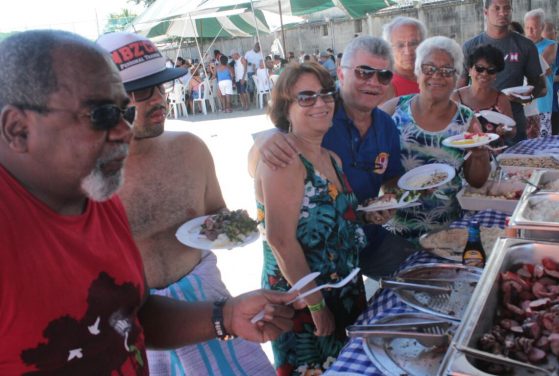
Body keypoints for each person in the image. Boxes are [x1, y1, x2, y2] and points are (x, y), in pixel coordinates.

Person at [0, 29, 296, 374]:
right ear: (18, 129)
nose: (125, 132)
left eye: (126, 112)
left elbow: (129, 312)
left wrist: (225, 316)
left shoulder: (98, 189)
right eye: (102, 116)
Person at [96, 32, 277, 375]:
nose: (160, 99)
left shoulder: (190, 149)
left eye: (161, 87)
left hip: (211, 306)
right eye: (143, 91)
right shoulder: (87, 176)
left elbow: (217, 214)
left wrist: (230, 229)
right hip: (140, 324)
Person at [250, 36, 414, 279]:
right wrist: (264, 143)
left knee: (420, 274)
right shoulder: (320, 113)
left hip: (367, 235)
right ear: (341, 73)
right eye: (364, 72)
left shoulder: (385, 125)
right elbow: (260, 162)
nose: (373, 82)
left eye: (383, 75)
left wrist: (389, 199)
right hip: (320, 253)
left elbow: (390, 177)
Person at [256, 61, 366, 375]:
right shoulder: (285, 158)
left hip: (345, 290)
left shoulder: (331, 157)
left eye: (326, 94)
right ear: (285, 109)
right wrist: (316, 305)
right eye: (306, 97)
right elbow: (280, 240)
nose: (320, 103)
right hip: (304, 302)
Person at [380, 36, 491, 243]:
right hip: (394, 231)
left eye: (447, 70)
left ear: (457, 76)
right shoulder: (392, 111)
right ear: (417, 71)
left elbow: (477, 181)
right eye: (429, 68)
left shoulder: (467, 120)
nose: (437, 76)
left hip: (447, 230)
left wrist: (480, 154)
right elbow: (372, 168)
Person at [459, 0, 546, 143]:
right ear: (486, 12)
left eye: (507, 8)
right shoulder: (470, 46)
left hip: (512, 125)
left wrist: (525, 98)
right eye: (497, 8)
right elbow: (460, 86)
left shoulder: (525, 46)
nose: (503, 13)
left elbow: (542, 87)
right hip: (475, 126)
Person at [453, 44, 514, 147]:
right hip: (463, 157)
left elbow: (512, 130)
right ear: (469, 70)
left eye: (491, 70)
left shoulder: (501, 99)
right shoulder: (456, 97)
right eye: (479, 68)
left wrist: (505, 130)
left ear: (495, 75)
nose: (485, 74)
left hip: (495, 156)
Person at [524, 8, 557, 138]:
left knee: (543, 140)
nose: (530, 31)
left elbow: (540, 69)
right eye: (527, 27)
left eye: (534, 27)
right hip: (523, 101)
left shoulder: (550, 45)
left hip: (542, 100)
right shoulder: (521, 45)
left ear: (542, 27)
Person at [381, 16, 428, 101]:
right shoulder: (386, 87)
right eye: (400, 45)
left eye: (413, 43)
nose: (408, 52)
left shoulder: (434, 76)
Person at [542, 21, 559, 135]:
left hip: (557, 102)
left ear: (555, 33)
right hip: (539, 102)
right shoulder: (533, 49)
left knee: (556, 133)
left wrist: (554, 78)